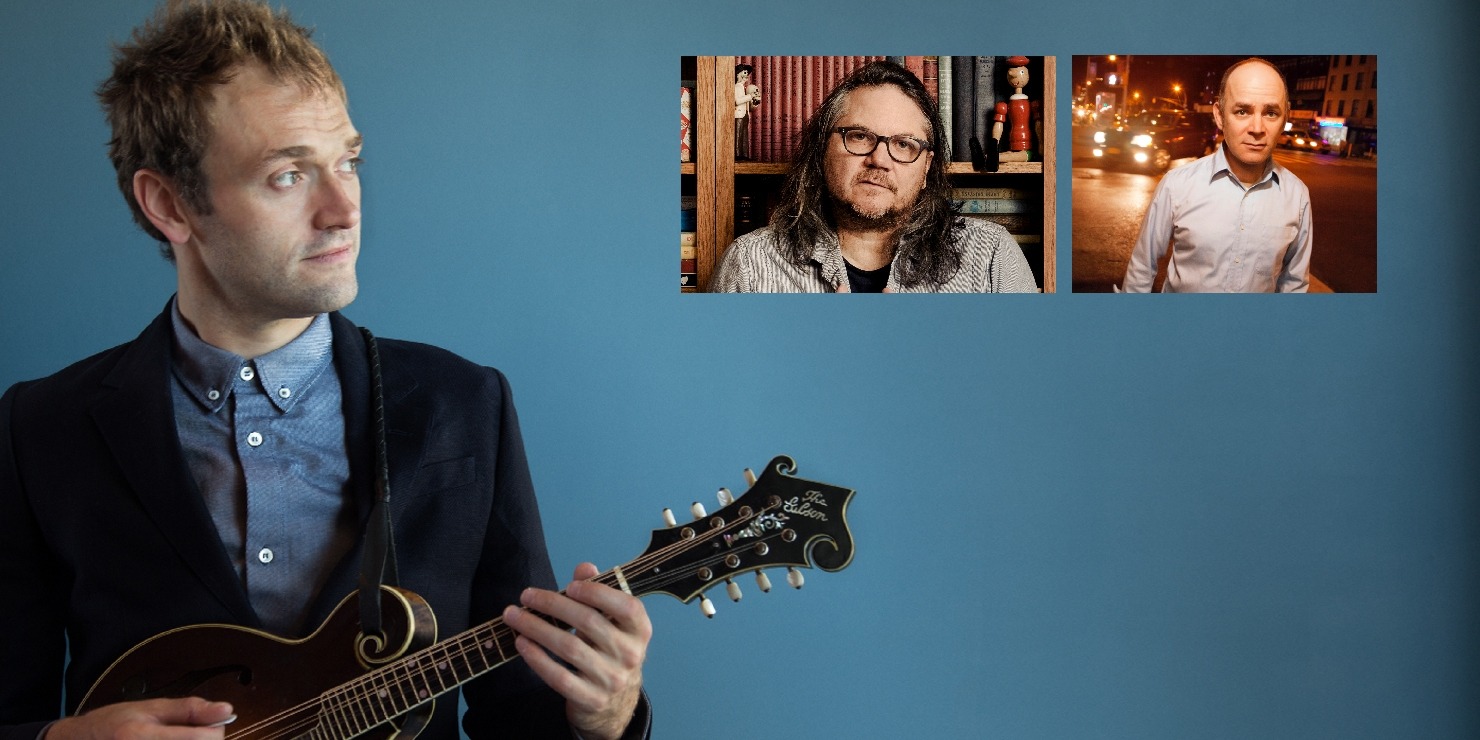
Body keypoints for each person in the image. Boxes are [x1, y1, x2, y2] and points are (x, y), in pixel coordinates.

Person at [0, 3, 651, 739]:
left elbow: (521, 721)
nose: (343, 209)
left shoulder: (466, 407)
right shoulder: (37, 429)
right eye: (287, 175)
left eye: (348, 161)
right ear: (169, 204)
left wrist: (605, 713)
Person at [709, 60, 1038, 293]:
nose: (879, 160)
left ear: (925, 168)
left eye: (904, 144)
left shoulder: (992, 256)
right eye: (859, 136)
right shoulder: (749, 264)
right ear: (823, 149)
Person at [1119, 57, 1313, 293]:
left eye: (1271, 113)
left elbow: (1294, 284)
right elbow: (1141, 268)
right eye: (1242, 111)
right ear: (1220, 116)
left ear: (1285, 118)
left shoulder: (1297, 196)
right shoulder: (1177, 185)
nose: (1257, 128)